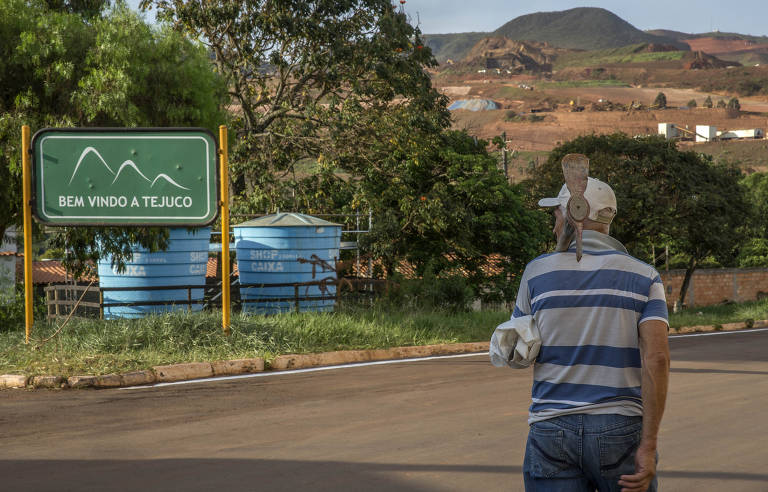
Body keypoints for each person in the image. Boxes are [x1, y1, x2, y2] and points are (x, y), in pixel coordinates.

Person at [512, 169, 670, 492]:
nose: (555, 223)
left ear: (575, 212)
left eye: (556, 213)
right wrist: (649, 446)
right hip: (620, 430)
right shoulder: (645, 276)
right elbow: (657, 360)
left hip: (550, 433)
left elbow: (517, 349)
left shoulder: (536, 273)